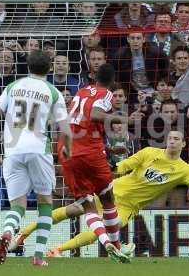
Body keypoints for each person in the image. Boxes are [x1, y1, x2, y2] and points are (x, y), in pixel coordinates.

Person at [10, 131, 189, 255]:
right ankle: (23, 234)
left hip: (128, 207)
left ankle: (57, 251)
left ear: (183, 144)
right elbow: (125, 165)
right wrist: (114, 165)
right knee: (70, 210)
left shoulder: (185, 169)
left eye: (177, 139)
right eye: (170, 138)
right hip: (111, 192)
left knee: (104, 233)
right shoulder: (150, 152)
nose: (172, 142)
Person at [0, 50, 72, 266]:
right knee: (45, 202)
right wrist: (67, 149)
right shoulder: (53, 92)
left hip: (12, 151)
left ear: (27, 66)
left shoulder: (12, 87)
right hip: (38, 150)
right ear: (50, 68)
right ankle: (39, 256)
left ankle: (7, 231)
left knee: (18, 204)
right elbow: (66, 130)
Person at [56, 63, 131, 263]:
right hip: (88, 150)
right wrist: (123, 120)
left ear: (94, 77)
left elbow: (81, 121)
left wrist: (110, 150)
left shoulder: (80, 91)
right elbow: (95, 115)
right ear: (112, 82)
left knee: (87, 204)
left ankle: (106, 241)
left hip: (66, 149)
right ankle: (115, 245)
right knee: (107, 199)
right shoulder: (106, 94)